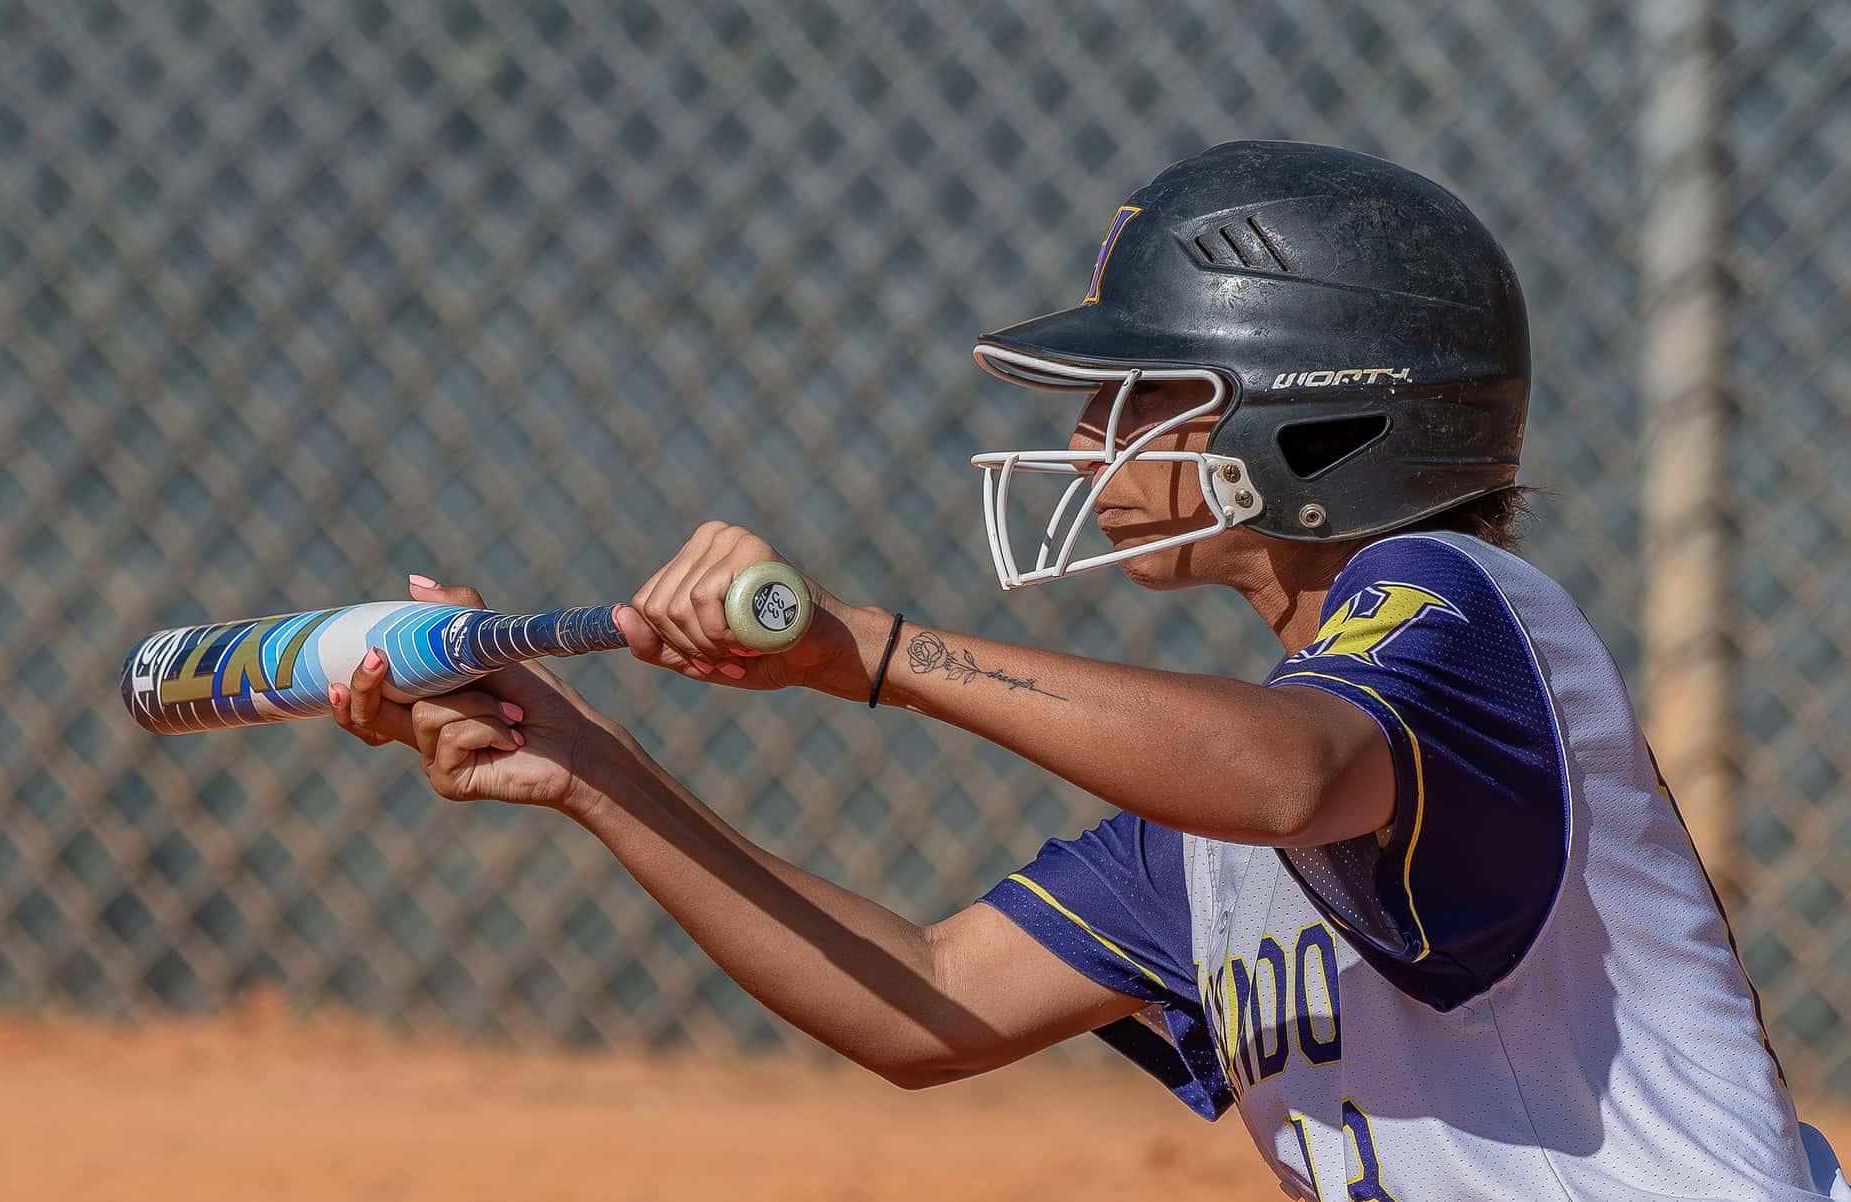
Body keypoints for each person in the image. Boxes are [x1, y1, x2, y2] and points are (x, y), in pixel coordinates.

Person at [325, 141, 1837, 1201]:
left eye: (1141, 393)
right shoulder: (1212, 824)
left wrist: (873, 652)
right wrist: (585, 764)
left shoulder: (1459, 607)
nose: (1085, 441)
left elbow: (1293, 770)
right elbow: (926, 1003)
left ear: (1309, 425)